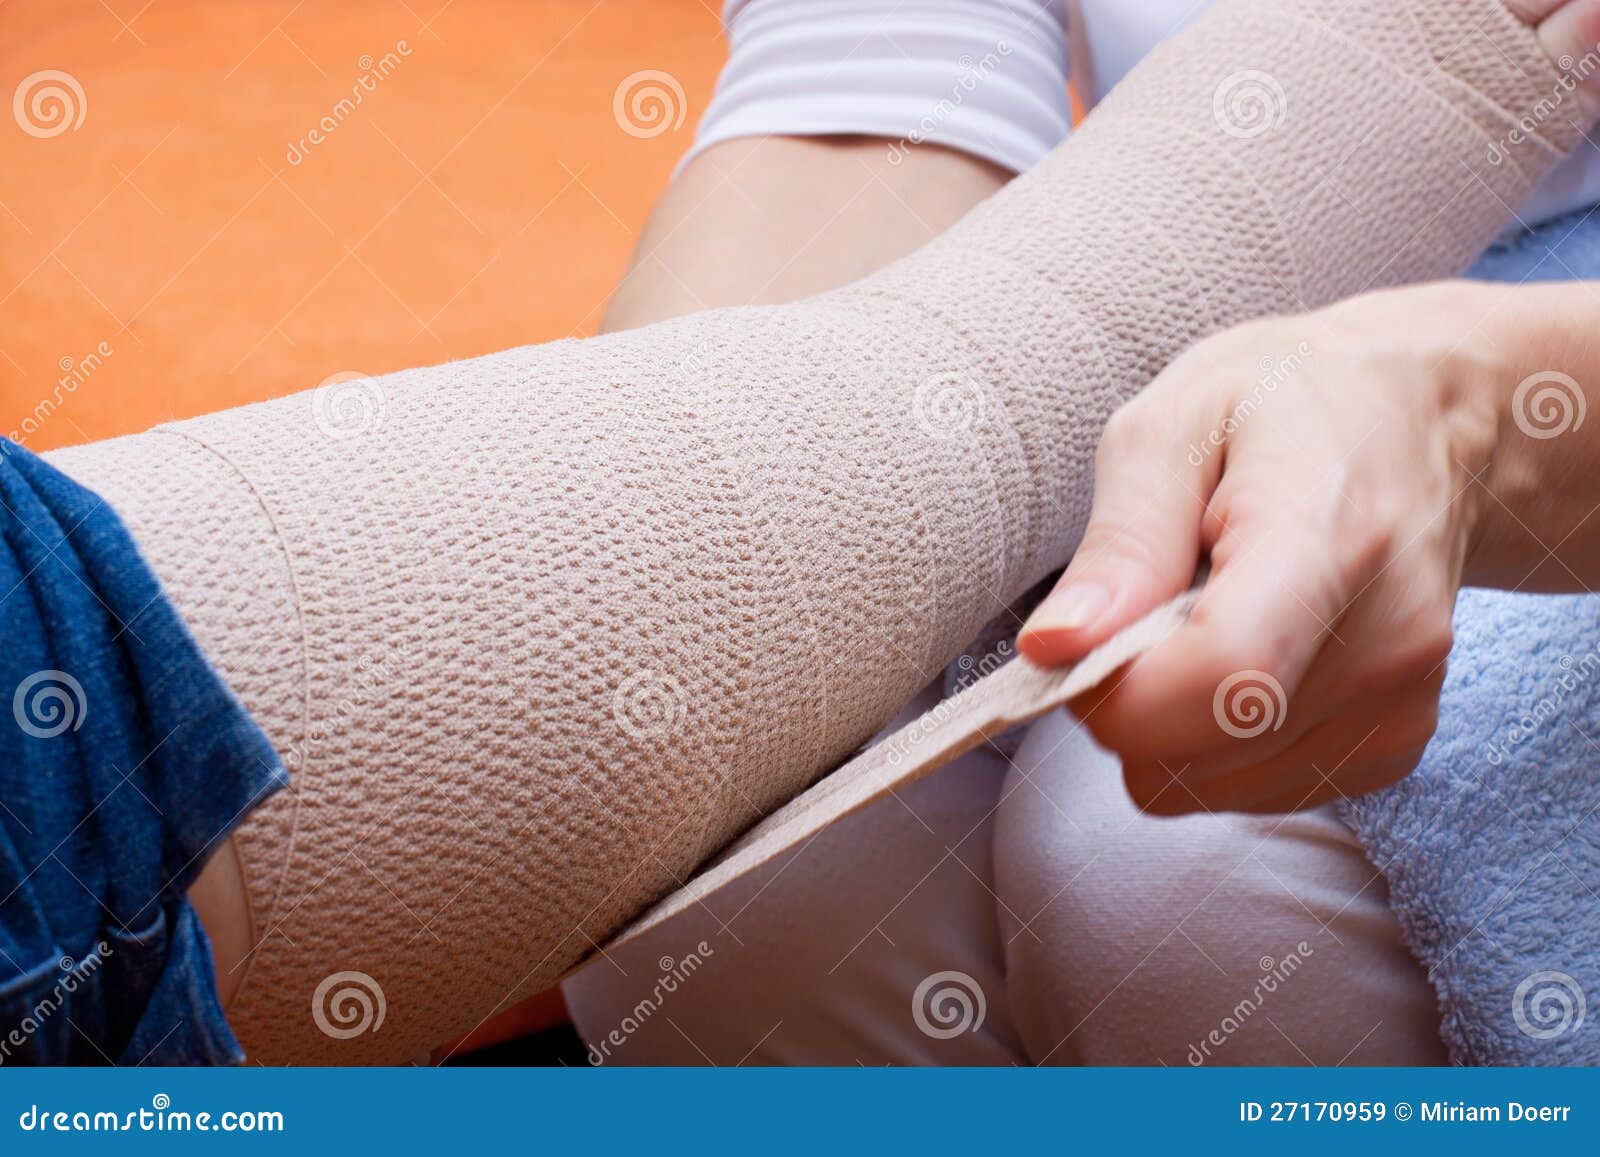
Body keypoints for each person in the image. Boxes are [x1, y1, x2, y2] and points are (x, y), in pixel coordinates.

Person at [559, 0, 1600, 1066]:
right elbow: (869, 89)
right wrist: (660, 532)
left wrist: (1485, 415)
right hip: (1175, 288)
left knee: (1169, 878)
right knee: (719, 883)